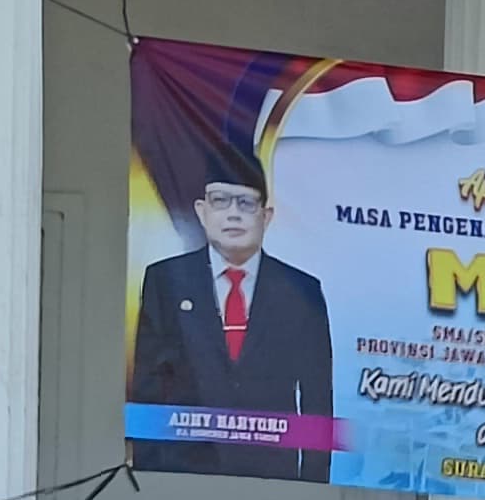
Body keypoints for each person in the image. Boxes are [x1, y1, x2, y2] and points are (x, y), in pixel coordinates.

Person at [125, 144, 333, 481]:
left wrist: (313, 485)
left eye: (246, 203)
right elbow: (148, 383)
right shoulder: (166, 280)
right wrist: (148, 471)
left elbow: (317, 399)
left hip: (271, 476)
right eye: (220, 201)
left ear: (266, 216)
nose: (233, 214)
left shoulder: (301, 292)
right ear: (202, 211)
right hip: (182, 473)